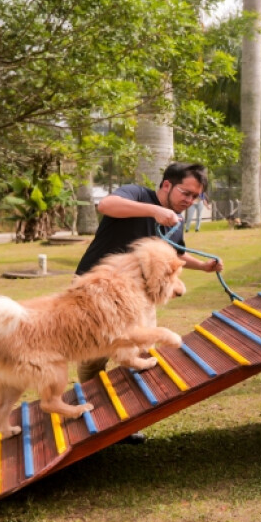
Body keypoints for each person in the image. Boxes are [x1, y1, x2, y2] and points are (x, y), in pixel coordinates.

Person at [75, 163, 222, 444]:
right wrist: (155, 210)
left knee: (142, 355)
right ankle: (92, 419)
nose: (188, 201)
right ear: (166, 185)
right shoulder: (137, 195)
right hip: (96, 291)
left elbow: (175, 254)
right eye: (185, 193)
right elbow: (106, 204)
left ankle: (125, 423)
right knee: (94, 358)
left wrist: (203, 266)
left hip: (138, 298)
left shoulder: (174, 221)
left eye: (194, 197)